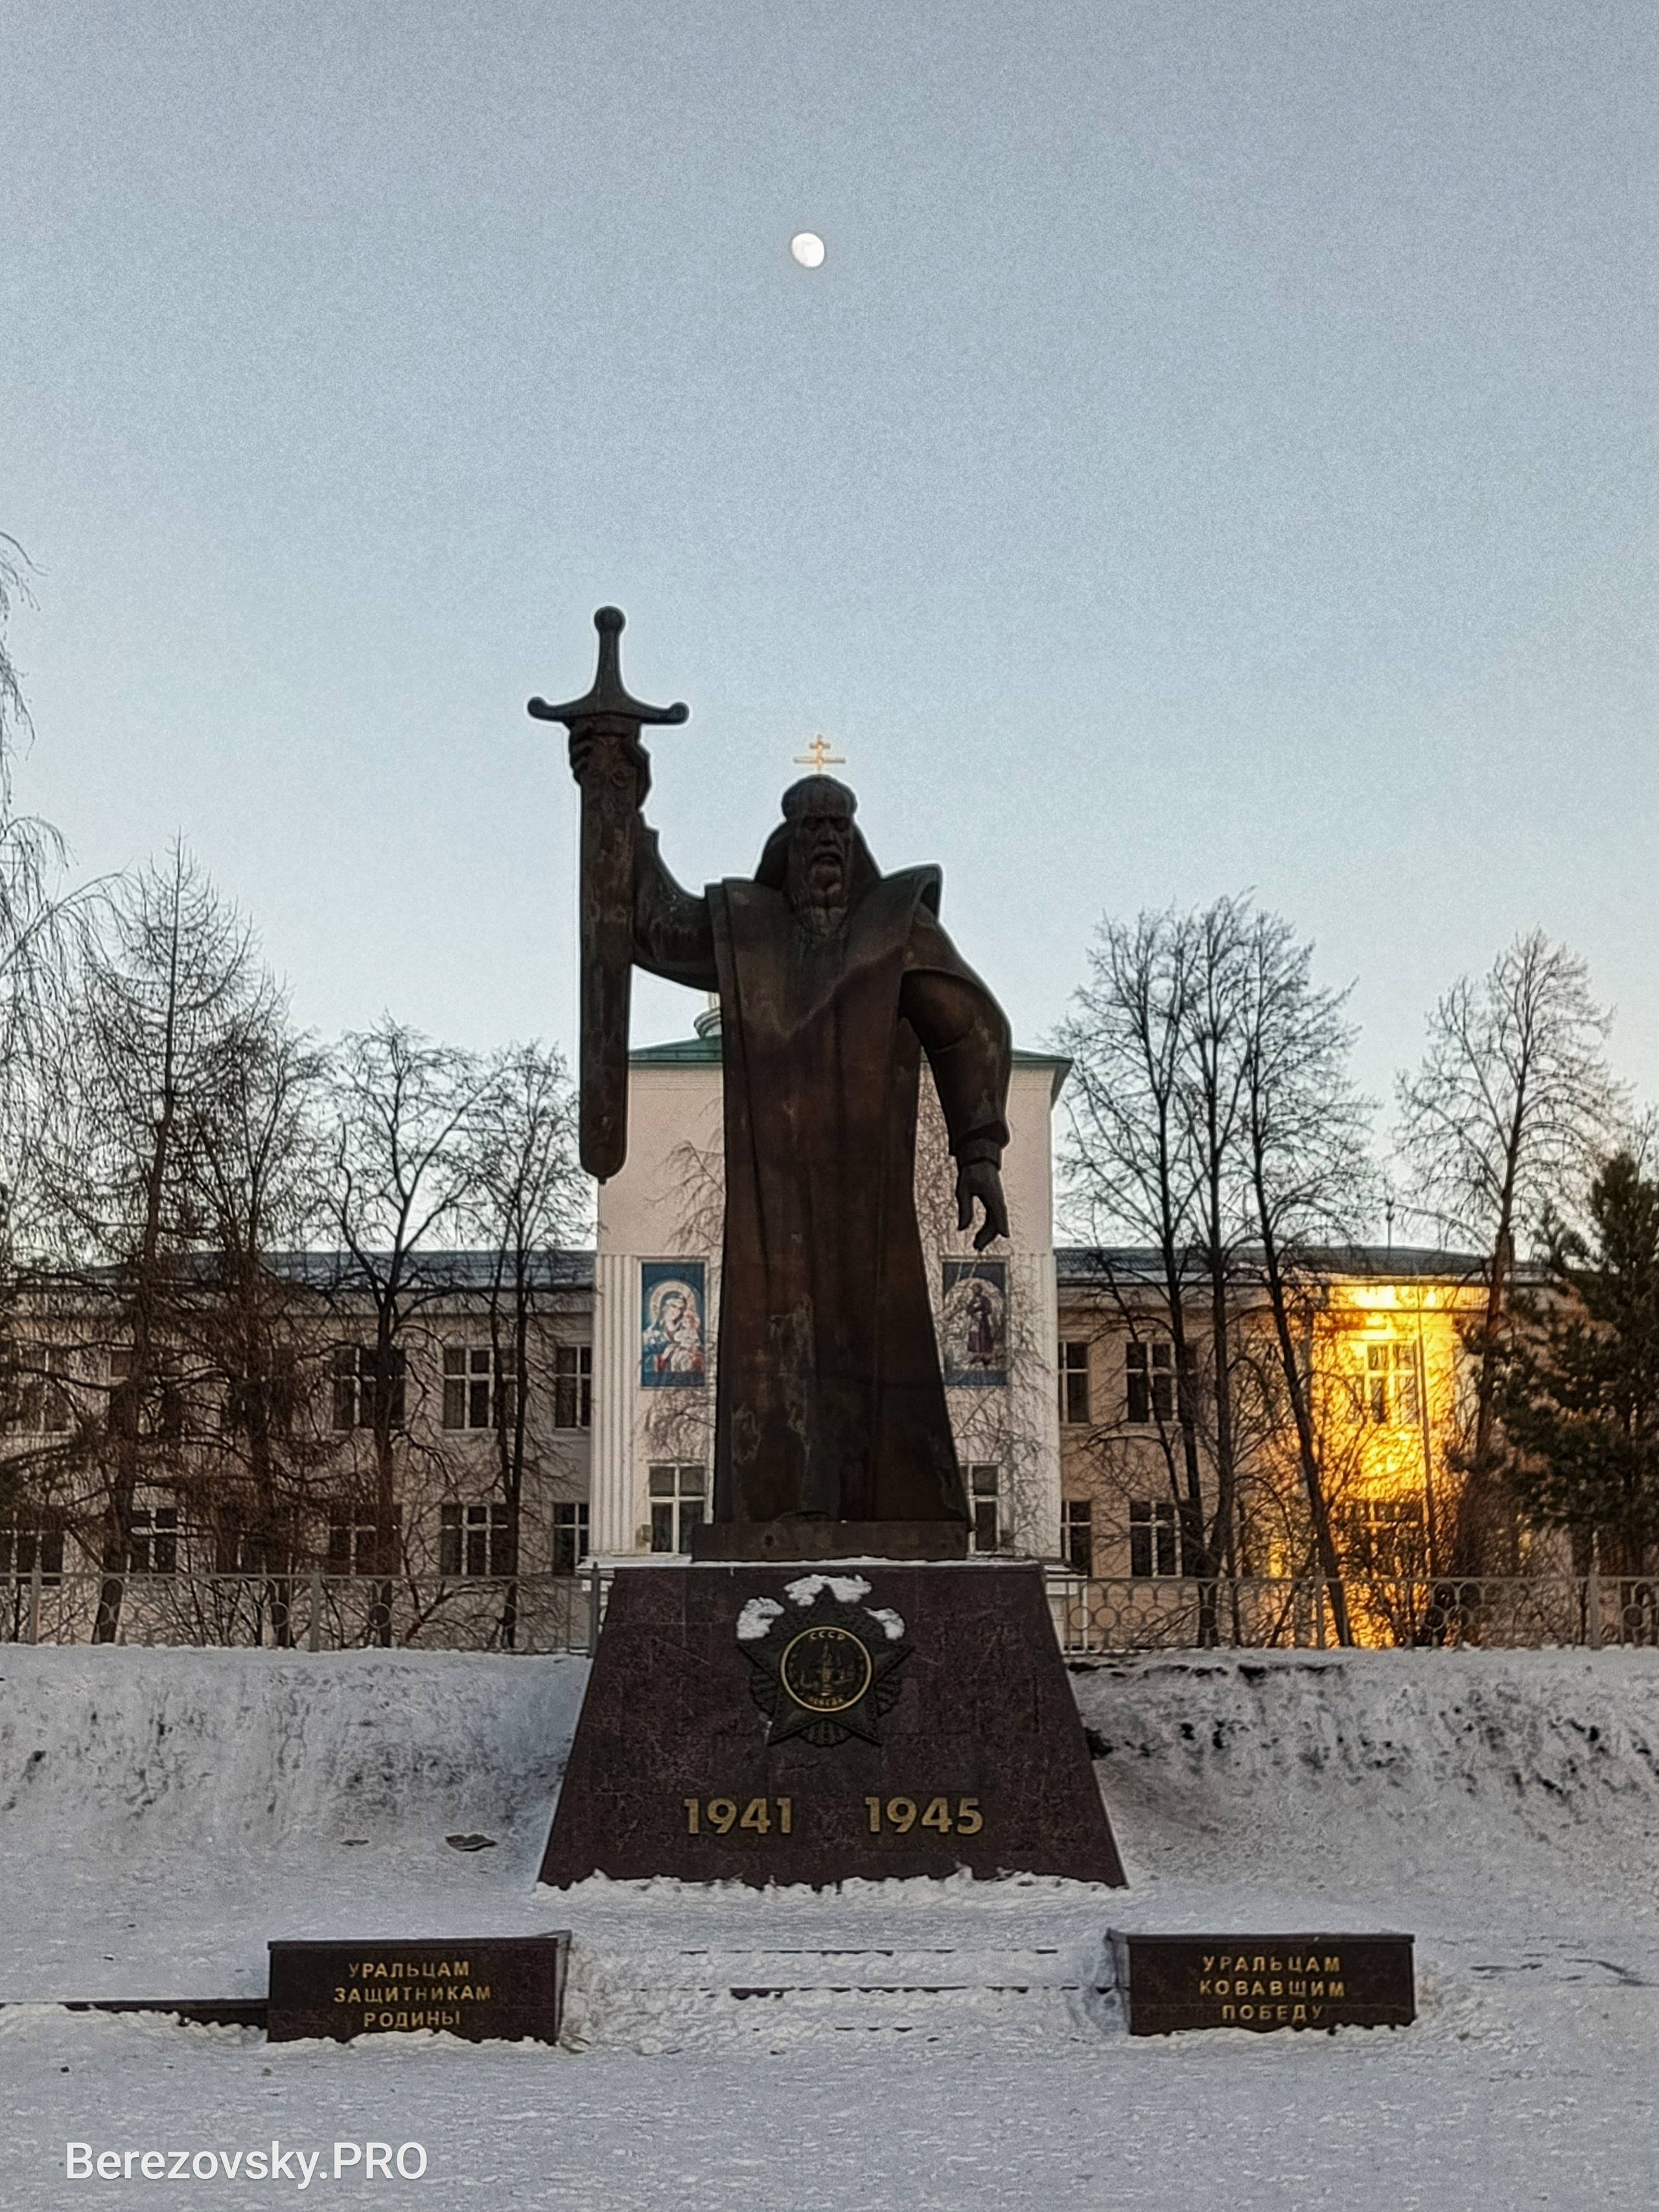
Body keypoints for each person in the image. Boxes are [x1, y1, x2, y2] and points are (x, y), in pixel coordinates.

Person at [583, 749, 1010, 1534]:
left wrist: (978, 1149)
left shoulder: (894, 926)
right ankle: (775, 1512)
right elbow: (649, 923)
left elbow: (969, 1027)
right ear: (787, 843)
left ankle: (898, 1520)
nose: (826, 842)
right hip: (771, 1191)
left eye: (838, 827)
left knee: (880, 1340)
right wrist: (619, 802)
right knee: (770, 1345)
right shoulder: (748, 927)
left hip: (868, 1191)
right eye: (811, 827)